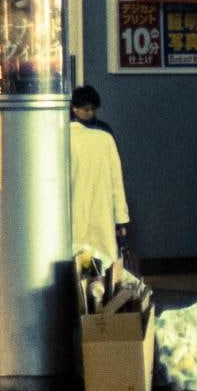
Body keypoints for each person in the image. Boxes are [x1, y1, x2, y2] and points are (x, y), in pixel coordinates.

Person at [69, 83, 133, 267]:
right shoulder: (105, 134)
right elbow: (116, 179)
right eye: (86, 109)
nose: (90, 113)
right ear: (75, 108)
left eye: (93, 109)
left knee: (78, 259)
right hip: (102, 207)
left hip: (78, 208)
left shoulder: (65, 134)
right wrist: (121, 219)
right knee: (105, 262)